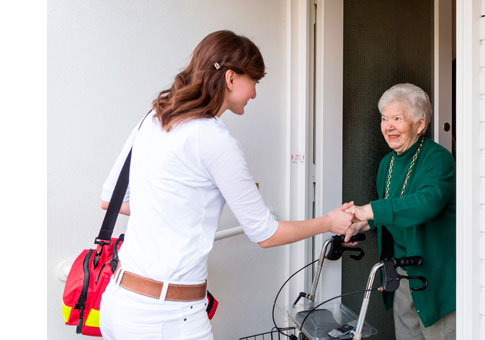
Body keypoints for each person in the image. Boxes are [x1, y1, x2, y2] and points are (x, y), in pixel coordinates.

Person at [98, 30, 354, 340]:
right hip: (165, 319)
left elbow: (110, 200)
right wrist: (329, 221)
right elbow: (266, 234)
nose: (255, 93)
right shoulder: (214, 139)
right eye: (255, 82)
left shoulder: (153, 118)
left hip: (117, 305)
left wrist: (170, 210)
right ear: (231, 78)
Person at [344, 83, 455, 340]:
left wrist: (368, 211)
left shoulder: (437, 159)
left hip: (436, 273)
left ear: (419, 124)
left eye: (397, 118)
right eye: (384, 118)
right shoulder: (387, 163)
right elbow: (391, 210)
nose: (388, 126)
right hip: (403, 272)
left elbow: (426, 203)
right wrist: (361, 226)